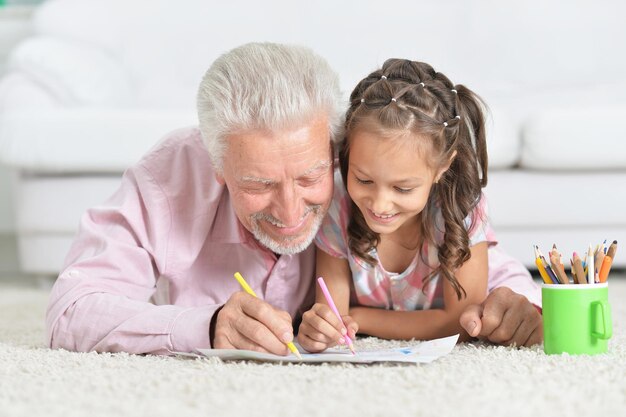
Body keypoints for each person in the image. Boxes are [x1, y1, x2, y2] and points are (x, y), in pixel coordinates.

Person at [45, 43, 541, 356]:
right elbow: (73, 310)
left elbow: (476, 270)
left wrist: (519, 306)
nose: (288, 214)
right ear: (217, 166)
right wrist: (207, 325)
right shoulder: (170, 178)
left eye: (309, 177)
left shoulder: (363, 176)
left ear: (336, 150)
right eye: (258, 185)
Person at [297, 58, 542, 352]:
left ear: (441, 169)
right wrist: (322, 327)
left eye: (402, 188)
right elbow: (334, 315)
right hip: (405, 308)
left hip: (489, 292)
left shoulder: (458, 205)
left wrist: (360, 318)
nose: (380, 203)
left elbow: (459, 324)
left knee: (509, 323)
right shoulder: (338, 200)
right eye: (364, 180)